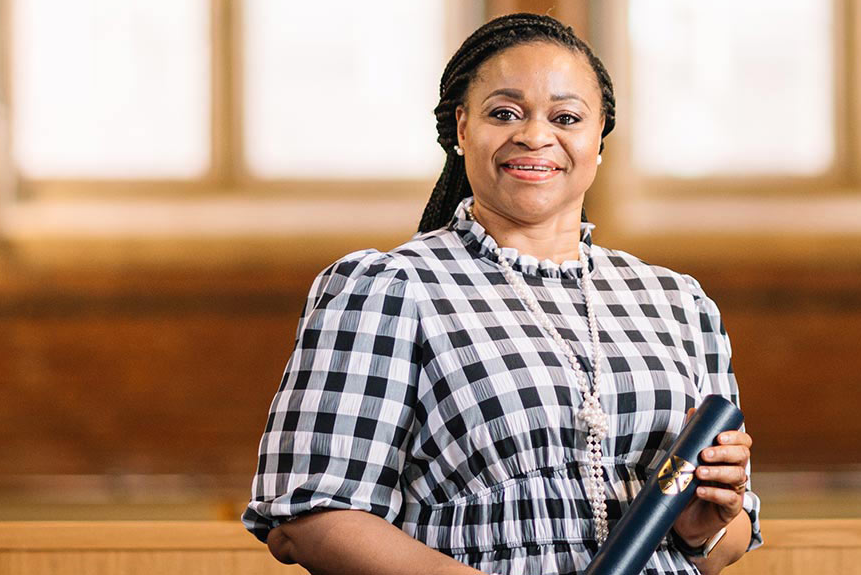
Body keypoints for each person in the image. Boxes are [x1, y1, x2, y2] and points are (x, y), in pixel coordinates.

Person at [242, 13, 760, 575]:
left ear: (599, 140)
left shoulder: (677, 303)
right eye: (505, 113)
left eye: (566, 117)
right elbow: (312, 517)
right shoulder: (391, 291)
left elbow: (730, 539)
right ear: (462, 129)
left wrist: (702, 528)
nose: (535, 136)